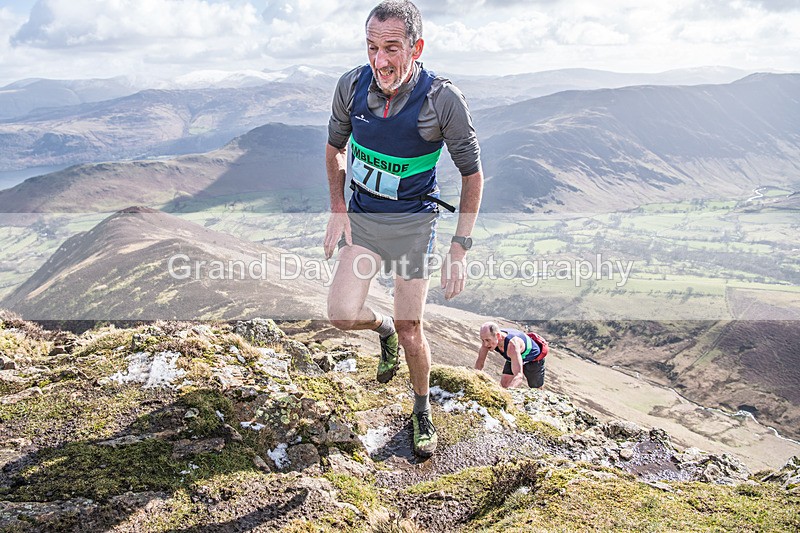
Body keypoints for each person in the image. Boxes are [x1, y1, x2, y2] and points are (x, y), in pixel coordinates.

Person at [323, 0, 483, 458]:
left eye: (391, 48)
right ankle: (383, 329)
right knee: (340, 315)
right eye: (372, 47)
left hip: (413, 228)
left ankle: (420, 408)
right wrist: (338, 207)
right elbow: (334, 148)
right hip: (364, 223)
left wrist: (460, 247)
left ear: (416, 46)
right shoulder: (351, 86)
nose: (380, 60)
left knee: (415, 330)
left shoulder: (442, 100)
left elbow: (473, 175)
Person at [475, 322, 546, 389]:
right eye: (483, 340)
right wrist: (474, 379)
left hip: (533, 359)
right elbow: (480, 362)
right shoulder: (488, 339)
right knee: (504, 384)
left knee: (535, 387)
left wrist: (509, 393)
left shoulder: (512, 345)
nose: (485, 344)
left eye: (488, 340)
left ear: (498, 336)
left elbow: (518, 376)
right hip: (513, 356)